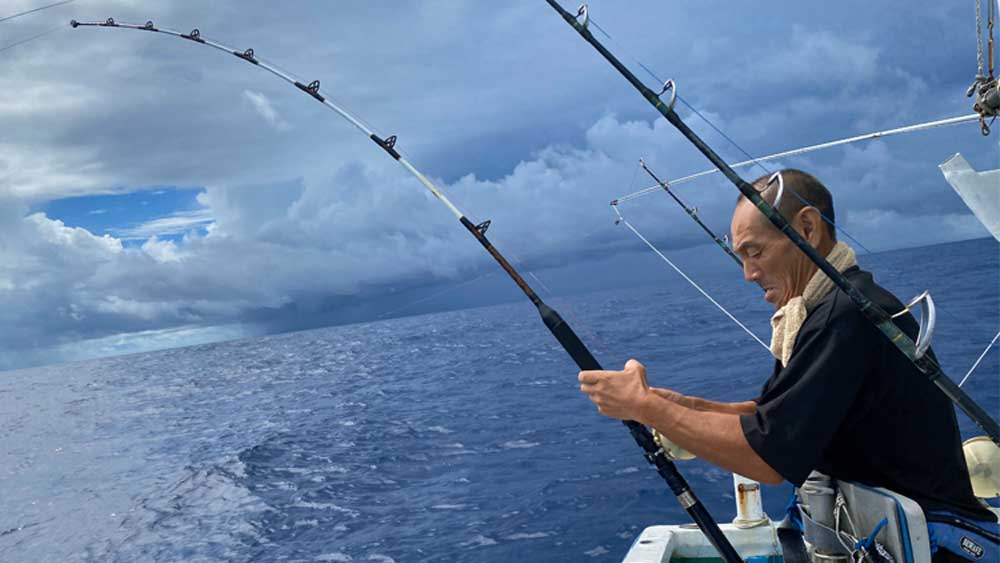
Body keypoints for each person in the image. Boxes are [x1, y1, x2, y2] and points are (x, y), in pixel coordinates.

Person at [578, 169, 995, 530]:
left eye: (754, 252)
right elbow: (772, 415)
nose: (747, 274)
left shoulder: (848, 316)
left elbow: (768, 456)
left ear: (808, 229)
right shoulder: (828, 309)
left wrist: (644, 407)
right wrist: (684, 406)